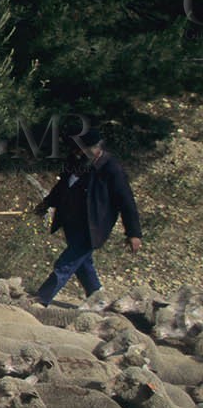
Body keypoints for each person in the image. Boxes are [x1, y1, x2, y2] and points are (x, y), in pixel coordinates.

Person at [33, 127, 141, 305]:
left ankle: (41, 299)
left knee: (65, 264)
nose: (78, 152)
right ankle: (97, 298)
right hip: (71, 221)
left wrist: (134, 233)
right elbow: (62, 187)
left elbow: (127, 202)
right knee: (83, 264)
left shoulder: (111, 169)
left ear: (96, 148)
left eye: (82, 149)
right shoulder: (76, 160)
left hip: (93, 226)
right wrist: (46, 204)